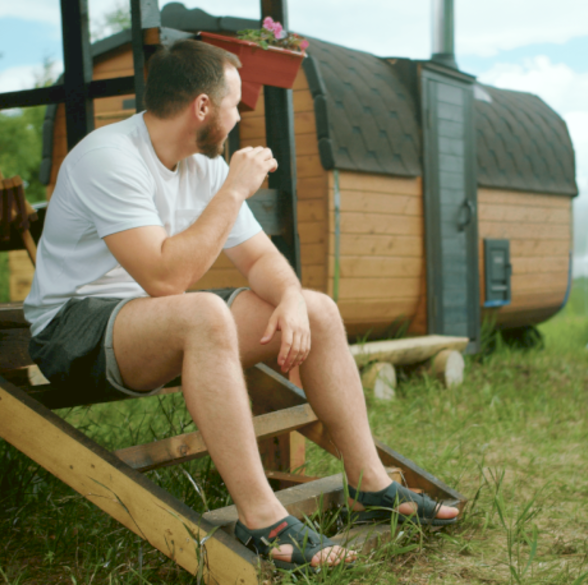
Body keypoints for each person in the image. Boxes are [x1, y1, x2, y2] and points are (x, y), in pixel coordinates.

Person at [23, 39, 458, 571]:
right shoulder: (108, 158)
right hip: (73, 332)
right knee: (204, 313)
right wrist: (234, 192)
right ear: (202, 107)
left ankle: (370, 486)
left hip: (149, 320)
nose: (239, 118)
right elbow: (165, 278)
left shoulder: (205, 165)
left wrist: (291, 298)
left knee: (318, 310)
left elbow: (260, 260)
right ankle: (262, 521)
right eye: (234, 105)